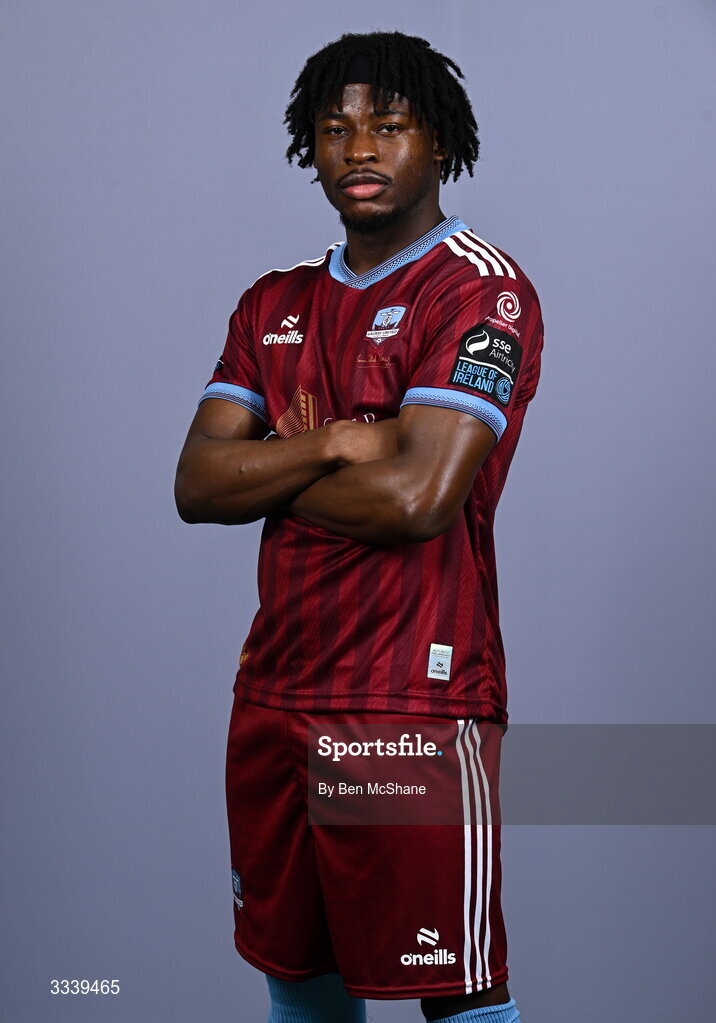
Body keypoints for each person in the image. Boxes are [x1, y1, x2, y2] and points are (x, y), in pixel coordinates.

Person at [174, 30, 543, 1023]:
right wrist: (341, 442)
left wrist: (268, 467)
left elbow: (414, 501)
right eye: (335, 130)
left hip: (404, 703)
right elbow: (197, 485)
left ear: (438, 140)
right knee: (294, 975)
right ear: (310, 146)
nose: (360, 149)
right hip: (273, 690)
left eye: (389, 124)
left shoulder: (475, 287)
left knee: (452, 987)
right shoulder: (274, 303)